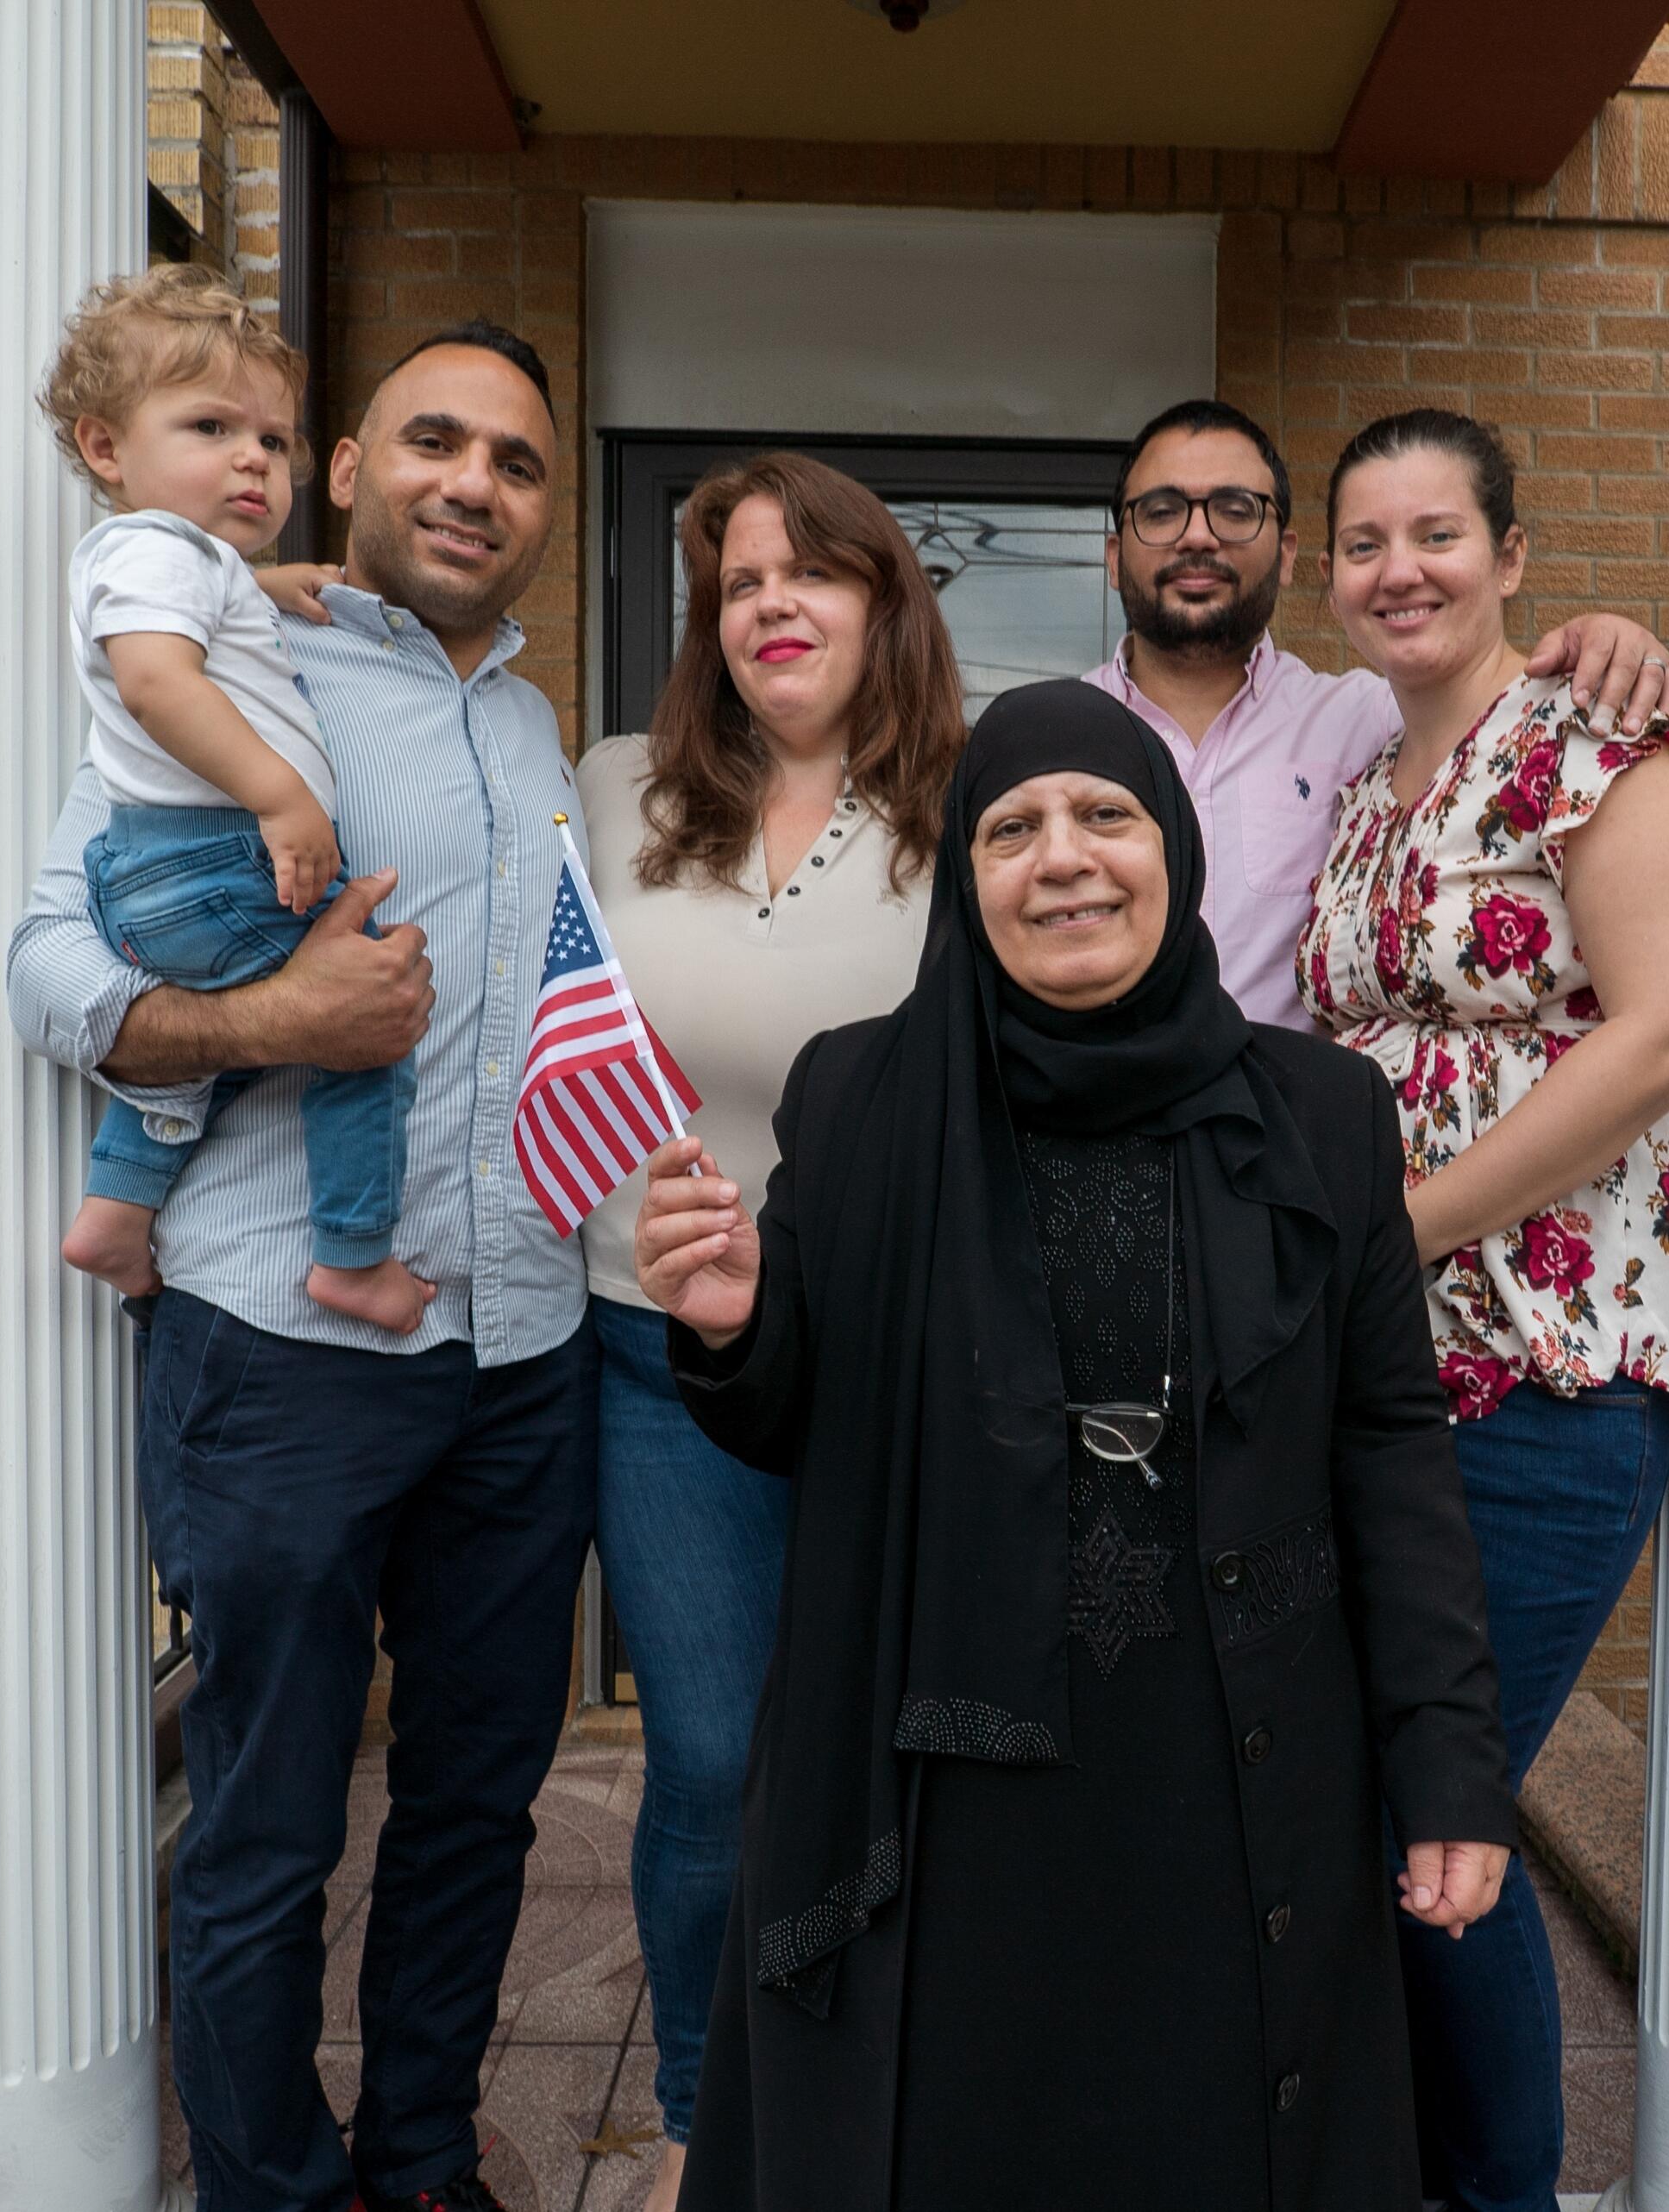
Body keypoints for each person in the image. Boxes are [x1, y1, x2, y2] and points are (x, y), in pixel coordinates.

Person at [637, 679, 1518, 2212]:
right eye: (1012, 827)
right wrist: (727, 1324)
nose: (1064, 858)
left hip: (1236, 1767)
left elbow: (1390, 1451)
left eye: (1106, 816)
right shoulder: (860, 1092)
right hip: (956, 1794)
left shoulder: (1320, 1112)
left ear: (1171, 850)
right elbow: (788, 1422)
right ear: (967, 883)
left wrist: (1447, 1769)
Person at [6, 319, 587, 2212]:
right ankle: (269, 2185)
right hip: (286, 1350)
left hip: (524, 1344)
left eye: (512, 461)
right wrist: (276, 1017)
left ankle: (422, 2159)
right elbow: (53, 968)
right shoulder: (239, 661)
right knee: (265, 1821)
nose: (470, 485)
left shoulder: (531, 720)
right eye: (433, 441)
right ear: (346, 465)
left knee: (474, 1807)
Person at [1294, 409, 1669, 2212]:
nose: (1399, 568)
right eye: (1366, 541)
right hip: (1377, 1371)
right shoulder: (1364, 799)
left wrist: (1397, 1232)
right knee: (1367, 1803)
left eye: (1437, 533)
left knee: (1440, 1816)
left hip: (1550, 1377)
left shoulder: (1596, 744)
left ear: (1509, 554)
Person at [573, 453, 963, 2211]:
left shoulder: (973, 803)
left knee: (911, 1743)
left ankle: (895, 2101)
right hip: (659, 1350)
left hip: (902, 1357)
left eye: (813, 574)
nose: (773, 607)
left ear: (883, 601)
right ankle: (694, 2116)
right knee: (719, 1751)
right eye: (738, 583)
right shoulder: (617, 790)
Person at [35, 266, 431, 1336]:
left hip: (159, 868)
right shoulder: (152, 550)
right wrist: (284, 798)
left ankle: (117, 1211)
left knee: (195, 1061)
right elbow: (161, 681)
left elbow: (177, 615)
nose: (253, 458)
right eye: (211, 426)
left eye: (273, 439)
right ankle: (353, 1255)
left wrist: (262, 584)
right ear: (105, 447)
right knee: (366, 1020)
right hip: (215, 854)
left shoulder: (169, 558)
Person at [1087, 397, 1669, 1031]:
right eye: (1161, 512)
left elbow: (1492, 691)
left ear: (1290, 557)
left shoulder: (1378, 720)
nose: (1198, 535)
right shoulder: (1051, 743)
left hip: (1294, 1124)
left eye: (1236, 511)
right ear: (1114, 555)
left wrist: (1614, 639)